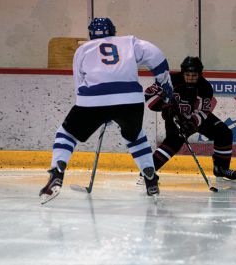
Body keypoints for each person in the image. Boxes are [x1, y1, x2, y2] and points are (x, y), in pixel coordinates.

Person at [39, 17, 173, 204]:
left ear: (90, 34)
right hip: (130, 100)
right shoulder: (130, 41)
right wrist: (164, 83)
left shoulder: (83, 49)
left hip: (93, 99)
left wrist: (97, 113)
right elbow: (155, 55)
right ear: (113, 31)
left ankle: (57, 171)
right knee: (135, 136)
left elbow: (79, 84)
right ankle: (150, 177)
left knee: (67, 133)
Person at [143, 56, 236, 184]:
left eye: (194, 75)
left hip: (195, 117)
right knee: (173, 143)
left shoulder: (205, 87)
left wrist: (192, 123)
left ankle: (221, 168)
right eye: (187, 74)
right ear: (182, 72)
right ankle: (146, 174)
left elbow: (203, 111)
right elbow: (148, 97)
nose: (190, 78)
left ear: (200, 74)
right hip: (176, 118)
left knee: (223, 132)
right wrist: (165, 108)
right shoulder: (170, 80)